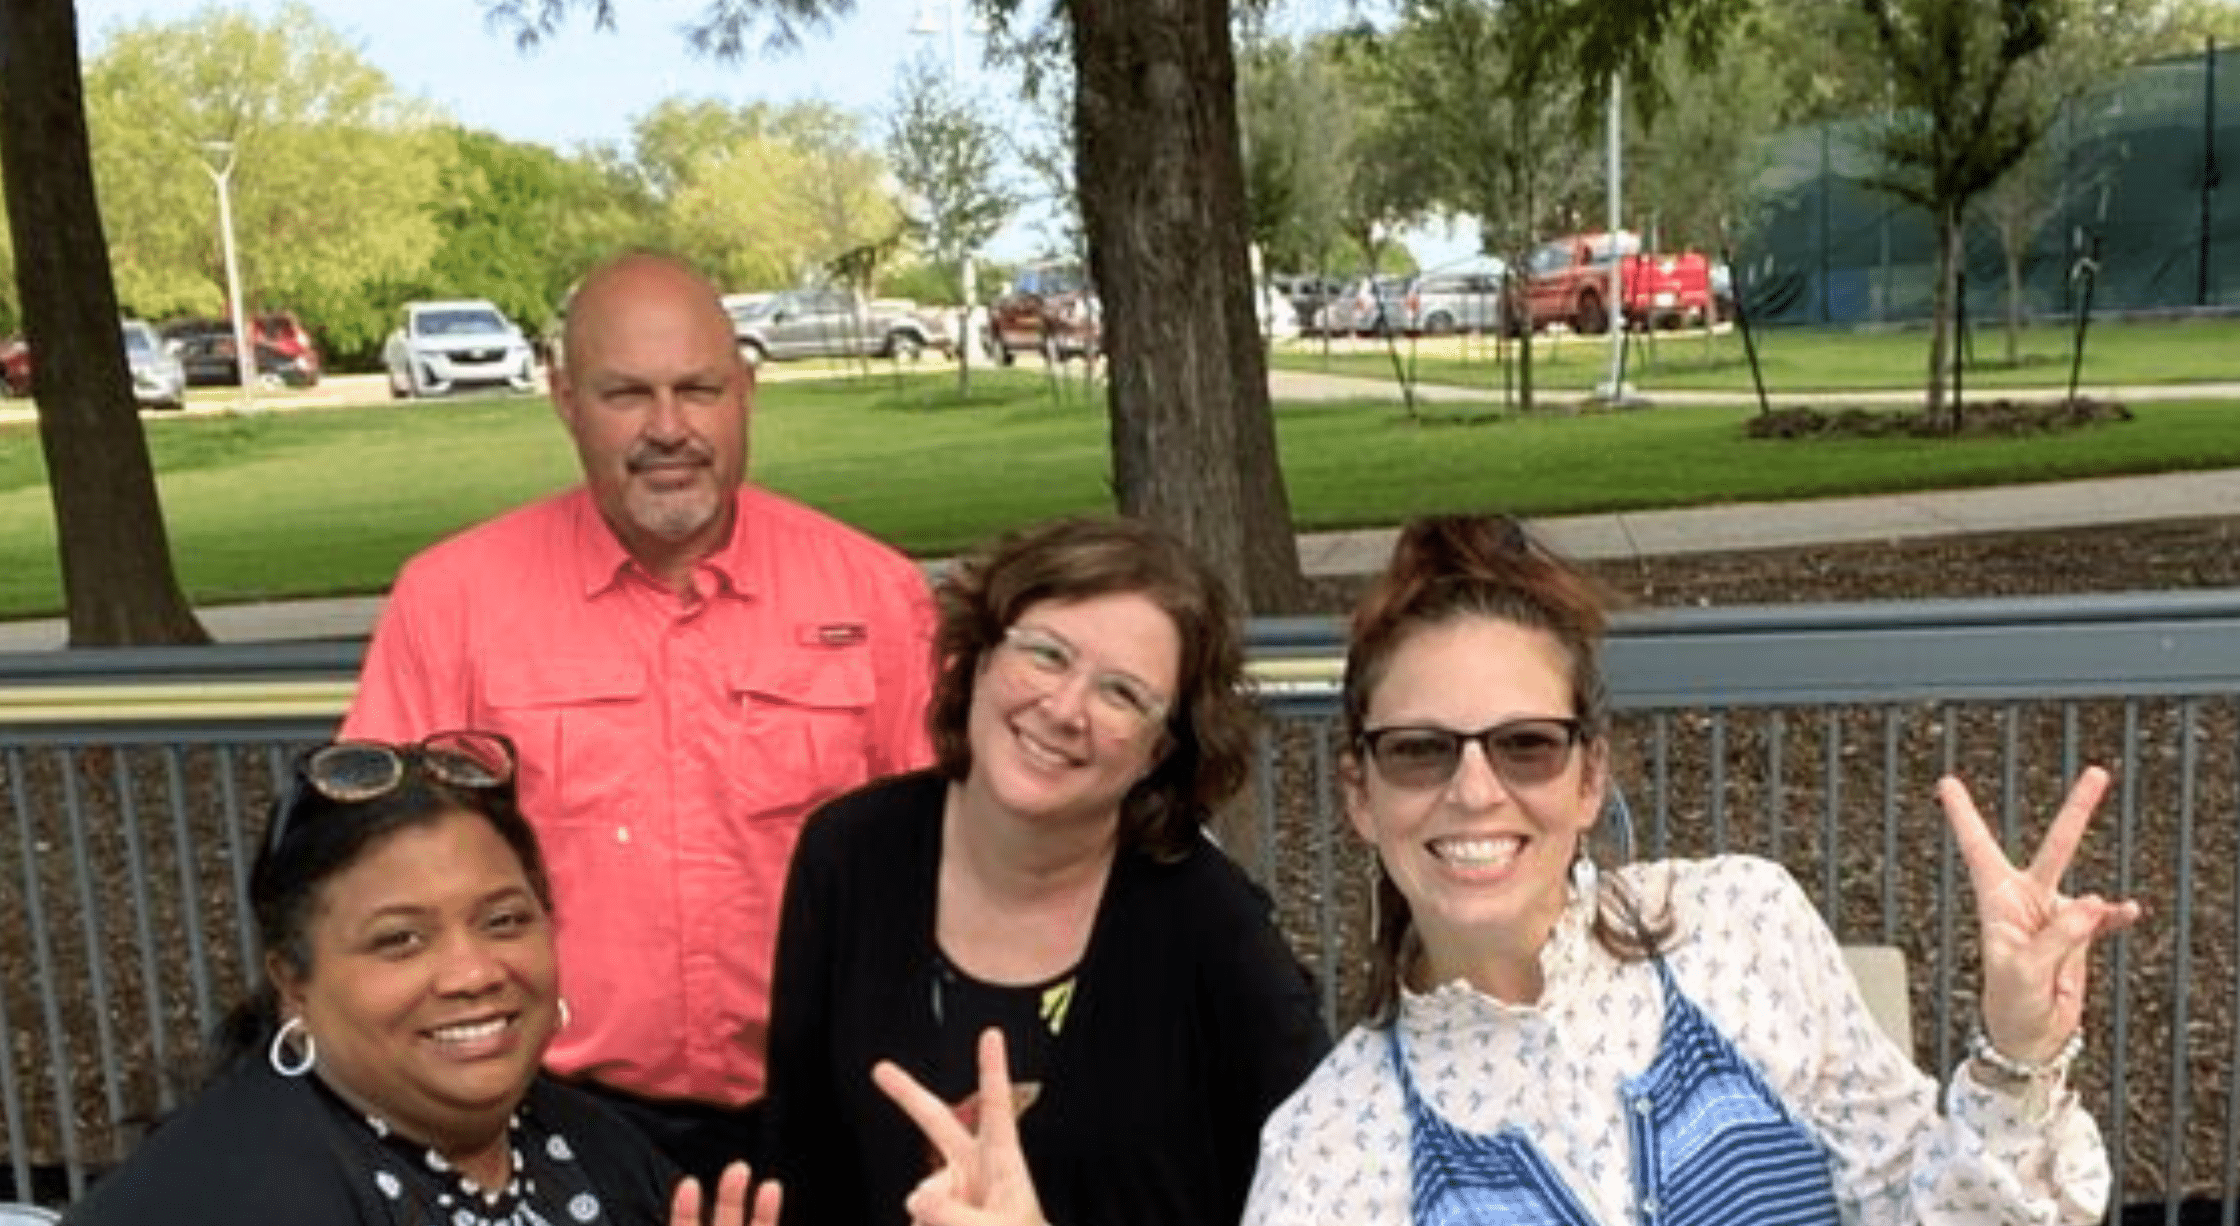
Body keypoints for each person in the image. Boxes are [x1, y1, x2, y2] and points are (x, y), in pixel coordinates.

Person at [1244, 515, 2144, 1226]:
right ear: (1361, 793)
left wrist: (2017, 1052)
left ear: (1590, 775)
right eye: (1419, 751)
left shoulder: (1739, 927)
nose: (1475, 790)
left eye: (1526, 746)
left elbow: (1922, 1206)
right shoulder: (1331, 1151)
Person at [343, 251, 938, 1184]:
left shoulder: (875, 593)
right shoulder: (451, 602)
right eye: (627, 394)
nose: (670, 428)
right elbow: (372, 875)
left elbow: (948, 865)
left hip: (820, 1119)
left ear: (745, 392)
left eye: (698, 389)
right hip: (545, 1125)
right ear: (565, 398)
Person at [762, 515, 1331, 1226]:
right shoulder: (848, 855)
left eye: (1122, 694)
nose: (1065, 710)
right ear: (979, 659)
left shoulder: (1216, 934)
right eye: (1047, 655)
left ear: (1160, 751)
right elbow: (802, 1162)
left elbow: (1318, 1196)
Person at [62, 732, 782, 1226]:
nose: (472, 973)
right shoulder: (227, 1196)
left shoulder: (591, 1145)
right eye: (399, 941)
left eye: (504, 922)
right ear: (294, 983)